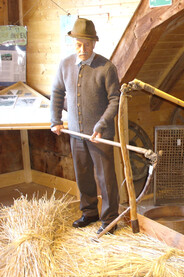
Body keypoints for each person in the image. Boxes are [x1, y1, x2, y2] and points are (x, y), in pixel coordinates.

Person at [50, 18, 120, 235]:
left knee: (106, 178)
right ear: (74, 43)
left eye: (87, 44)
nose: (83, 49)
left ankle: (109, 219)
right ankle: (89, 213)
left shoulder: (106, 68)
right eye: (79, 44)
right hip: (76, 134)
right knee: (83, 175)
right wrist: (56, 120)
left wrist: (101, 124)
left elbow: (115, 100)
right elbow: (57, 92)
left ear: (94, 44)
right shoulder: (65, 65)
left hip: (100, 135)